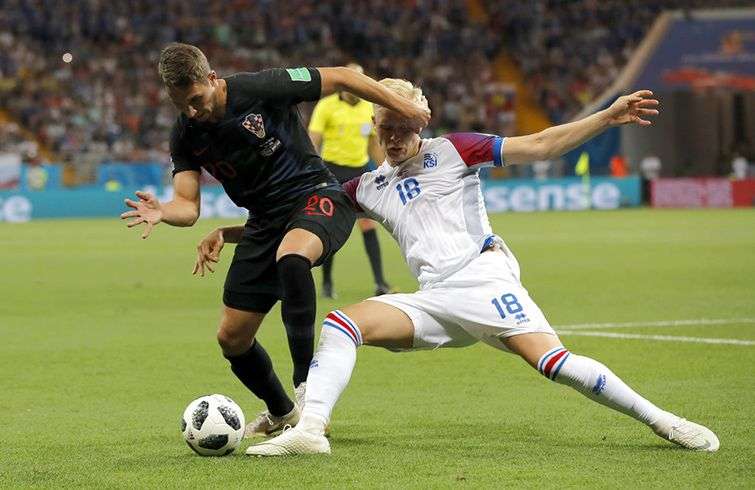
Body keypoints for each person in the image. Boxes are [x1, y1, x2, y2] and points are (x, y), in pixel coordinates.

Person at [239, 79, 719, 455]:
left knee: (553, 363)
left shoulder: (454, 150)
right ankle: (312, 428)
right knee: (343, 324)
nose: (394, 138)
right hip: (433, 297)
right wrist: (233, 233)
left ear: (420, 125)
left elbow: (543, 145)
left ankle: (662, 420)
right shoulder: (368, 186)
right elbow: (305, 220)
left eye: (404, 128)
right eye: (386, 127)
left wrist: (606, 117)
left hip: (481, 279)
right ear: (375, 125)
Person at [120, 44, 429, 438]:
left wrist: (406, 108)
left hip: (315, 195)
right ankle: (283, 413)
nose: (193, 111)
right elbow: (187, 205)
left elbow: (343, 77)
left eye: (196, 100)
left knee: (293, 255)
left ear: (212, 79)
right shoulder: (185, 133)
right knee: (232, 338)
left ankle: (307, 389)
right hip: (264, 223)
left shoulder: (262, 87)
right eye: (182, 105)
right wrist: (164, 211)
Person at [308, 63, 391, 299]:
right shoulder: (326, 106)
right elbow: (313, 139)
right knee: (330, 225)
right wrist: (312, 170)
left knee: (367, 224)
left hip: (360, 170)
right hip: (332, 170)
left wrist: (386, 169)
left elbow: (374, 145)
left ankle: (379, 282)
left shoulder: (369, 108)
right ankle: (326, 284)